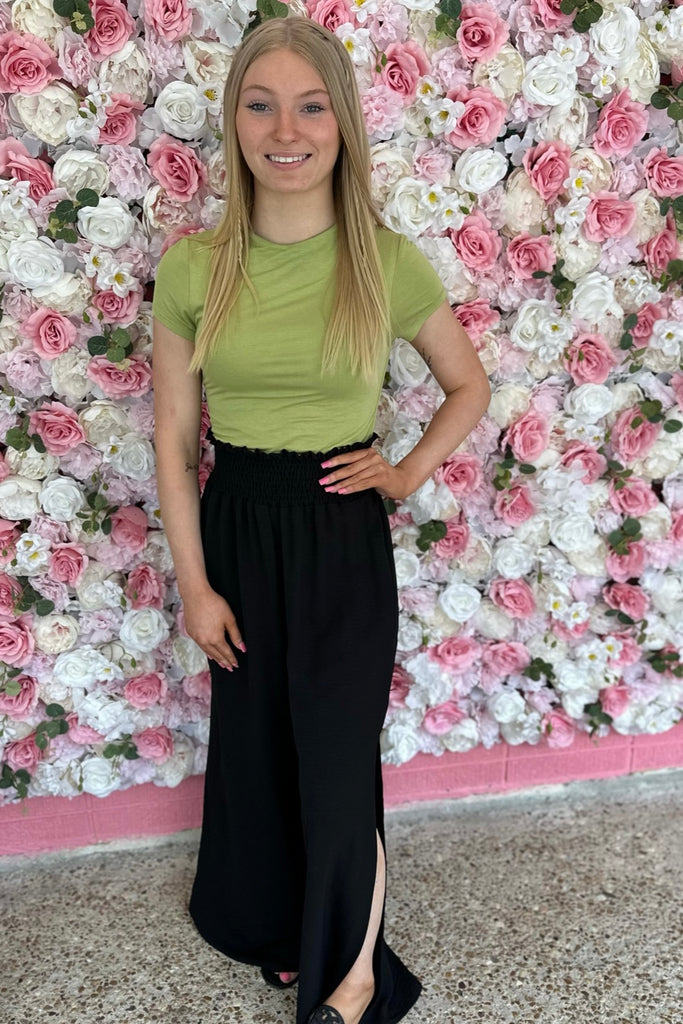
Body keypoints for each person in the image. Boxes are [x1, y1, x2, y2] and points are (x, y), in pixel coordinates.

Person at [151, 15, 490, 1024]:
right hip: (236, 526)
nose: (285, 130)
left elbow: (467, 385)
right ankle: (280, 925)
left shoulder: (383, 262)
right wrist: (195, 586)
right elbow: (173, 439)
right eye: (260, 105)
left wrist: (406, 472)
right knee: (260, 746)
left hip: (340, 531)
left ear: (340, 124)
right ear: (233, 120)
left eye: (309, 107)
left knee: (337, 756)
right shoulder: (192, 268)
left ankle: (352, 980)